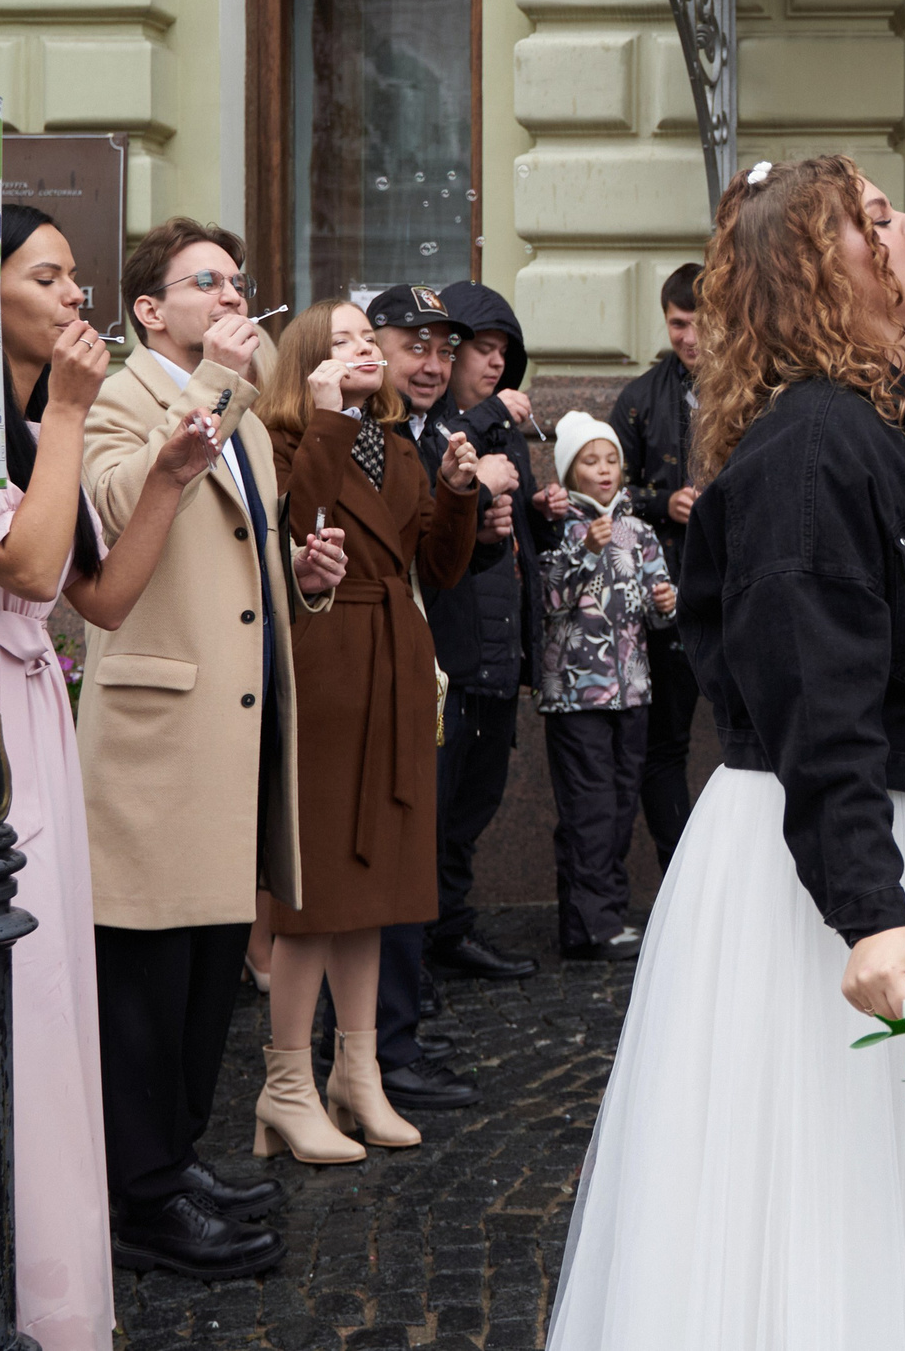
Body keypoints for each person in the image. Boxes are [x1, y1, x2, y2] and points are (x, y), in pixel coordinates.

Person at [548, 155, 905, 1351]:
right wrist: (871, 919)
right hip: (843, 871)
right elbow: (819, 707)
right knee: (831, 1204)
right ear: (819, 273)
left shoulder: (895, 422)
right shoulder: (811, 446)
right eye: (874, 221)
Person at [0, 206, 231, 1346]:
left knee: (53, 995)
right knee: (17, 993)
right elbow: (25, 564)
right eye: (49, 276)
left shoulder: (40, 429)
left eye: (76, 278)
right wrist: (81, 410)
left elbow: (100, 597)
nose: (75, 296)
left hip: (39, 711)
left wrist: (175, 476)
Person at [80, 218, 343, 1277]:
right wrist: (221, 393)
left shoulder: (242, 419)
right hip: (154, 739)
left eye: (239, 280)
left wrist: (304, 585)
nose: (236, 296)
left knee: (201, 984)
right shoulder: (119, 394)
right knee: (144, 987)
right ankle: (138, 1204)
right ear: (152, 310)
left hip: (233, 741)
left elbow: (241, 573)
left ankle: (173, 1161)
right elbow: (113, 502)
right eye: (209, 282)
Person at [255, 301, 484, 1162]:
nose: (368, 351)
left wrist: (457, 493)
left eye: (366, 340)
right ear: (311, 357)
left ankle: (358, 1072)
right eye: (347, 338)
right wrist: (326, 416)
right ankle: (285, 1082)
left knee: (373, 889)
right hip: (322, 662)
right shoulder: (285, 437)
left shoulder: (396, 450)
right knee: (311, 892)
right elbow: (293, 516)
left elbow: (440, 564)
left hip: (393, 665)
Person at [372, 281, 558, 1116]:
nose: (441, 364)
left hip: (464, 660)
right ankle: (375, 1037)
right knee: (400, 855)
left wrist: (498, 523)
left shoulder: (433, 436)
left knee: (445, 829)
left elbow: (454, 557)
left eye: (449, 350)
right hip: (410, 667)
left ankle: (394, 1021)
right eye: (424, 346)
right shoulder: (395, 435)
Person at [535, 412, 676, 962]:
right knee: (588, 808)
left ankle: (600, 916)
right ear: (571, 471)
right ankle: (590, 924)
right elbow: (550, 602)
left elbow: (655, 612)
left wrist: (668, 603)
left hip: (632, 690)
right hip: (577, 695)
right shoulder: (559, 524)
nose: (604, 471)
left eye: (611, 460)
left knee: (619, 805)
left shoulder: (637, 530)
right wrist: (586, 550)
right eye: (590, 461)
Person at [612, 262, 704, 868]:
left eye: (702, 323)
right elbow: (607, 492)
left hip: (746, 594)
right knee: (666, 744)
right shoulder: (641, 398)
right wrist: (662, 502)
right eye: (678, 324)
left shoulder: (762, 388)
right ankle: (679, 876)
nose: (690, 337)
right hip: (666, 599)